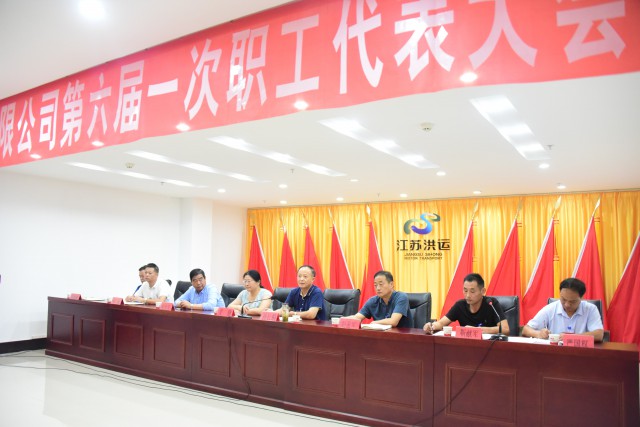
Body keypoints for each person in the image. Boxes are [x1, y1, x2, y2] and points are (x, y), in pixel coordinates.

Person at [424, 273, 510, 335]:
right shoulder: (460, 305)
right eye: (465, 291)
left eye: (472, 291)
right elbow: (441, 323)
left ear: (483, 291)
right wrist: (431, 326)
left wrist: (477, 330)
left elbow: (505, 329)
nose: (468, 295)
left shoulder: (491, 303)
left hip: (489, 347)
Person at [522, 277, 604, 342]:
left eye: (572, 301)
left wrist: (571, 337)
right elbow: (526, 330)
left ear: (582, 298)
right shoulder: (551, 308)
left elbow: (599, 335)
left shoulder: (590, 309)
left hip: (581, 353)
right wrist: (538, 334)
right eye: (563, 299)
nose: (567, 305)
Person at [347, 270, 413, 328]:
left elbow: (393, 321)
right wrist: (343, 319)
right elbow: (357, 317)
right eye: (375, 285)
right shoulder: (373, 301)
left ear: (391, 284)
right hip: (381, 336)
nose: (378, 288)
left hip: (403, 336)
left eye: (381, 284)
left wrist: (374, 323)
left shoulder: (401, 297)